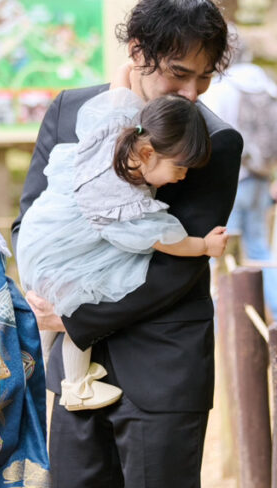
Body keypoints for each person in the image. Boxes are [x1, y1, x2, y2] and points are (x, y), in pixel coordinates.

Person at [12, 0, 241, 488]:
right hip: (73, 370)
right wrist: (39, 291)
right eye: (178, 73)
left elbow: (178, 267)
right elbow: (31, 215)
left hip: (162, 367)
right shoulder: (70, 110)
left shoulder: (214, 141)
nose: (191, 93)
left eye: (204, 77)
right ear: (137, 52)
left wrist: (76, 318)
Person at [16, 83, 229, 412]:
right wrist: (204, 246)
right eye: (179, 168)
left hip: (39, 236)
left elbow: (118, 91)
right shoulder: (126, 203)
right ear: (147, 154)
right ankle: (76, 387)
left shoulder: (114, 128)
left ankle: (36, 370)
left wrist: (128, 71)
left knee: (47, 316)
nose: (182, 178)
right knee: (75, 310)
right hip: (64, 257)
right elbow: (168, 239)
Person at [200, 29, 277, 323]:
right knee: (259, 248)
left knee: (216, 251)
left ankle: (214, 322)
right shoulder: (266, 86)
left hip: (233, 180)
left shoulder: (223, 86)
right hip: (261, 178)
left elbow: (216, 135)